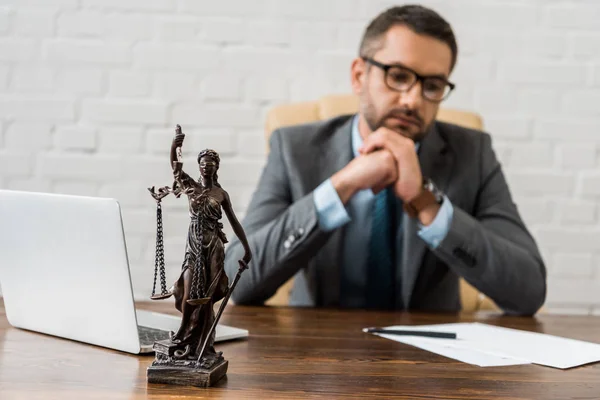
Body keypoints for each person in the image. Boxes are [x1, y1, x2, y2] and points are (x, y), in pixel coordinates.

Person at [224, 5, 546, 315]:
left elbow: (528, 291)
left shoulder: (471, 153)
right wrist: (341, 186)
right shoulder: (295, 148)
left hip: (429, 361)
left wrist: (425, 202)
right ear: (358, 76)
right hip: (317, 352)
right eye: (398, 76)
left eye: (432, 86)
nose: (412, 100)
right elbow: (238, 283)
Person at [166, 130, 251, 362]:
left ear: (216, 168)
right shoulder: (190, 186)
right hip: (193, 245)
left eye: (211, 164)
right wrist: (175, 145)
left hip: (213, 246)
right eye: (203, 164)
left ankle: (203, 345)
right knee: (186, 291)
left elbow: (234, 222)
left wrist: (247, 248)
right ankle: (184, 339)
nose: (207, 167)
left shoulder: (221, 194)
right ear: (199, 166)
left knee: (207, 296)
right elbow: (175, 168)